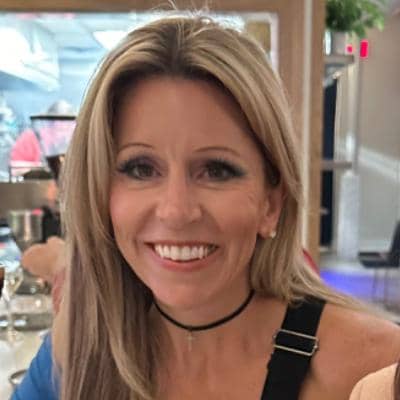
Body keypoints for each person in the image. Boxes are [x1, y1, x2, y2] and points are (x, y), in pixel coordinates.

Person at [12, 15, 400, 400]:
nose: (176, 211)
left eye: (216, 170)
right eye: (141, 169)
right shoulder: (80, 348)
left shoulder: (376, 368)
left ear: (271, 204)